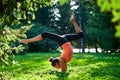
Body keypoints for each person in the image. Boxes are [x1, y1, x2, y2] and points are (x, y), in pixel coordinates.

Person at [19, 13, 84, 72]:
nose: (58, 68)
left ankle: (27, 40)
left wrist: (58, 72)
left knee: (44, 34)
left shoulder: (61, 59)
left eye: (57, 67)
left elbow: (63, 70)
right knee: (80, 35)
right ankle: (73, 21)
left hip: (63, 41)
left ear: (57, 63)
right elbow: (65, 68)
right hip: (65, 41)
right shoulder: (64, 60)